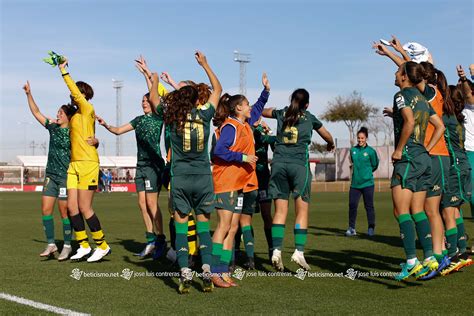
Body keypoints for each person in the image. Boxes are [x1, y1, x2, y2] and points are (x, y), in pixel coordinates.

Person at [379, 60, 445, 280]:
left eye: (398, 71)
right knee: (418, 210)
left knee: (401, 211)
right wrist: (426, 148)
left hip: (408, 159)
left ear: (405, 76)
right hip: (423, 159)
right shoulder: (423, 99)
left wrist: (398, 150)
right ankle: (428, 258)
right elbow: (440, 127)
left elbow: (409, 121)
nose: (395, 74)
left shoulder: (401, 95)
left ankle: (411, 262)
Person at [162, 51, 222, 293]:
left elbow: (157, 102)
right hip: (203, 177)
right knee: (203, 228)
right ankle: (206, 268)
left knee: (180, 227)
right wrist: (205, 64)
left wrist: (153, 79)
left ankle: (185, 271)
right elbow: (217, 88)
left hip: (181, 178)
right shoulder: (206, 114)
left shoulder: (172, 117)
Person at [96, 63, 166, 258]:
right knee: (142, 205)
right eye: (142, 100)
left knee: (152, 204)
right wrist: (105, 125)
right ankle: (150, 241)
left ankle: (161, 240)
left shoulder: (159, 117)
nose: (144, 102)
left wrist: (147, 73)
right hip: (141, 166)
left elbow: (154, 91)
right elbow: (118, 131)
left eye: (146, 100)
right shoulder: (138, 120)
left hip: (154, 166)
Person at [262, 88, 335, 272]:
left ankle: (277, 250)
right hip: (298, 166)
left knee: (279, 211)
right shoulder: (309, 117)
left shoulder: (281, 113)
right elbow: (326, 134)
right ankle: (299, 252)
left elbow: (261, 110)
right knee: (301, 210)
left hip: (278, 165)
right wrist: (330, 143)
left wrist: (263, 108)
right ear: (307, 104)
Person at [211, 73, 270, 287]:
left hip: (240, 185)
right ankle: (214, 271)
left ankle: (224, 270)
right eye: (246, 104)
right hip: (226, 182)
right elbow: (219, 151)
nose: (249, 108)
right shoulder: (230, 127)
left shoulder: (246, 124)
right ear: (238, 109)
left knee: (233, 228)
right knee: (223, 227)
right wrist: (243, 157)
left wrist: (266, 91)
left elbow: (257, 108)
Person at [56, 57, 110, 262]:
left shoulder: (87, 109)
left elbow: (75, 93)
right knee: (72, 207)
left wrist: (63, 71)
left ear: (84, 94)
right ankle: (84, 245)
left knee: (85, 207)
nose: (72, 95)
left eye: (76, 92)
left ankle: (102, 245)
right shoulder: (75, 115)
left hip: (88, 163)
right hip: (74, 165)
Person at [23, 81, 82, 261]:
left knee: (64, 212)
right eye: (58, 112)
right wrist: (28, 94)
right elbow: (36, 112)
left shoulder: (74, 133)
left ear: (68, 117)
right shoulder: (53, 128)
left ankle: (66, 246)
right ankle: (51, 244)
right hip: (51, 176)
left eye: (61, 113)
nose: (57, 114)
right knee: (46, 209)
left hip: (66, 177)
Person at [438, 84, 472, 275]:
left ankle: (453, 256)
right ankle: (462, 252)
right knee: (456, 211)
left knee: (447, 212)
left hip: (455, 168)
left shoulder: (447, 118)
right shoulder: (458, 118)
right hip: (463, 166)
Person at [345, 126, 379, 237]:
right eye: (358, 138)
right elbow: (353, 163)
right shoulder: (353, 150)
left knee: (369, 206)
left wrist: (366, 174)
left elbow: (375, 165)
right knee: (352, 205)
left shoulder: (371, 151)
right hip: (355, 184)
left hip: (368, 184)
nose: (360, 140)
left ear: (366, 138)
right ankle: (351, 228)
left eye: (362, 138)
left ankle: (371, 228)